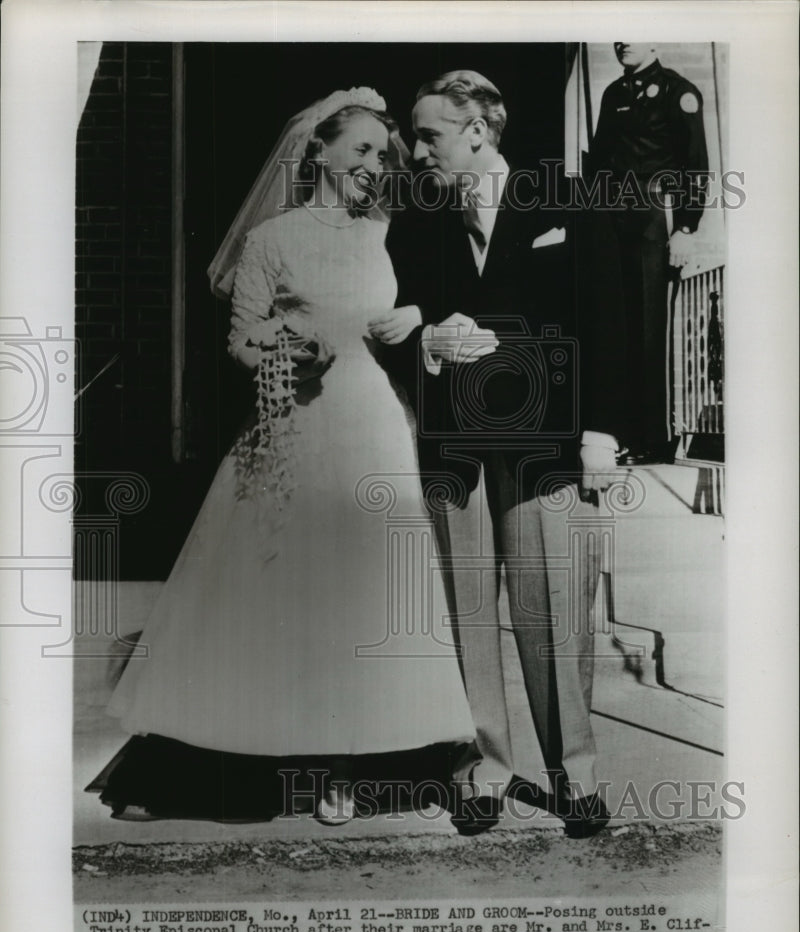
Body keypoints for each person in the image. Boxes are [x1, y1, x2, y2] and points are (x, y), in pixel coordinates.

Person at [87, 87, 476, 825]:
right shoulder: (271, 241)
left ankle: (348, 767)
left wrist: (419, 315)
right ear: (317, 151)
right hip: (293, 425)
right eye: (358, 150)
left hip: (373, 428)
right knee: (279, 592)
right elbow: (240, 340)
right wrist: (284, 344)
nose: (373, 165)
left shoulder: (389, 231)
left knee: (363, 596)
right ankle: (241, 758)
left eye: (381, 153)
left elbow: (434, 297)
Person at [376, 70, 611, 837]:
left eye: (429, 135)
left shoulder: (560, 201)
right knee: (469, 613)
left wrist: (603, 431)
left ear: (477, 131)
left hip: (546, 442)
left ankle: (574, 775)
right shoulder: (417, 218)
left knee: (555, 616)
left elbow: (606, 320)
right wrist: (427, 341)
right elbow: (398, 325)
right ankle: (484, 769)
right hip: (457, 445)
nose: (416, 150)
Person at [582, 43, 709, 463]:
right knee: (613, 327)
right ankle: (617, 432)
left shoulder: (679, 91)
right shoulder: (613, 94)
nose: (623, 40)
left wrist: (686, 228)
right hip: (609, 219)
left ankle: (653, 438)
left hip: (654, 216)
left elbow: (695, 165)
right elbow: (598, 162)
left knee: (649, 331)